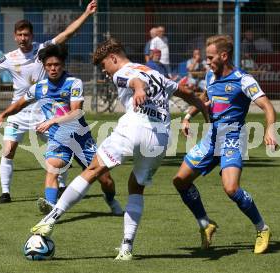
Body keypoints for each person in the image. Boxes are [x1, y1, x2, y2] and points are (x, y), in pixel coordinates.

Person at [29, 38, 209, 260]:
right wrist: (202, 108)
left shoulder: (123, 71)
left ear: (113, 58)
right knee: (136, 186)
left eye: (104, 66)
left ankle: (50, 220)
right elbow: (184, 92)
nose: (105, 72)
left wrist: (139, 88)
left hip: (135, 128)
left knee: (93, 169)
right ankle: (126, 248)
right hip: (160, 139)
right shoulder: (156, 73)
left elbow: (133, 80)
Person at [0, 1, 99, 204]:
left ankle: (62, 186)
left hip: (45, 112)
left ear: (32, 36)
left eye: (26, 35)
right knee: (8, 149)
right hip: (20, 111)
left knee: (61, 147)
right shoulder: (9, 58)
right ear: (15, 36)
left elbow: (67, 34)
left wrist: (86, 14)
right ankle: (5, 193)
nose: (23, 38)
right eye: (19, 35)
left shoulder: (43, 50)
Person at [172, 35, 276, 254]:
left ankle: (262, 228)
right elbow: (206, 98)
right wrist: (188, 115)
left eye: (210, 58)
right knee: (180, 181)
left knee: (231, 189)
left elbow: (267, 106)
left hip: (232, 138)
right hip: (211, 138)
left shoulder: (244, 80)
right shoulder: (211, 76)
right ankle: (205, 224)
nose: (207, 62)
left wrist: (270, 130)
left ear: (223, 56)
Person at [0, 44, 123, 215]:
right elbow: (19, 104)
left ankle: (111, 200)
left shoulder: (73, 83)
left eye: (57, 65)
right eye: (49, 65)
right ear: (44, 66)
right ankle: (51, 210)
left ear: (63, 65)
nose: (53, 68)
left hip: (81, 139)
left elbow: (77, 112)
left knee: (105, 179)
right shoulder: (39, 88)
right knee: (52, 168)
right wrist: (3, 115)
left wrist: (53, 120)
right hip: (58, 139)